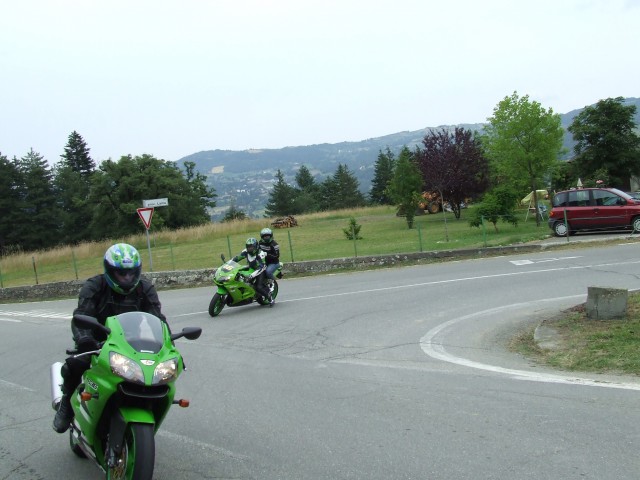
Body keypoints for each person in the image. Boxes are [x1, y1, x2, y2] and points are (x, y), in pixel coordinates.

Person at [53, 243, 168, 433]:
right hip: (96, 342)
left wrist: (168, 344)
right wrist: (84, 340)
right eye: (121, 273)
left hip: (131, 344)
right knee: (76, 363)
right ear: (109, 270)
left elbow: (158, 318)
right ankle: (66, 405)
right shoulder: (94, 286)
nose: (127, 278)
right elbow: (81, 316)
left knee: (156, 373)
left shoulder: (145, 288)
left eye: (131, 273)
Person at [233, 237, 273, 306]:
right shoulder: (246, 252)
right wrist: (229, 263)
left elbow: (261, 267)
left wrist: (251, 276)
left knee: (258, 287)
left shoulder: (260, 254)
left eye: (251, 247)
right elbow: (237, 258)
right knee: (239, 277)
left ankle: (270, 298)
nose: (250, 249)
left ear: (256, 246)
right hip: (251, 268)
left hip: (261, 270)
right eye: (248, 247)